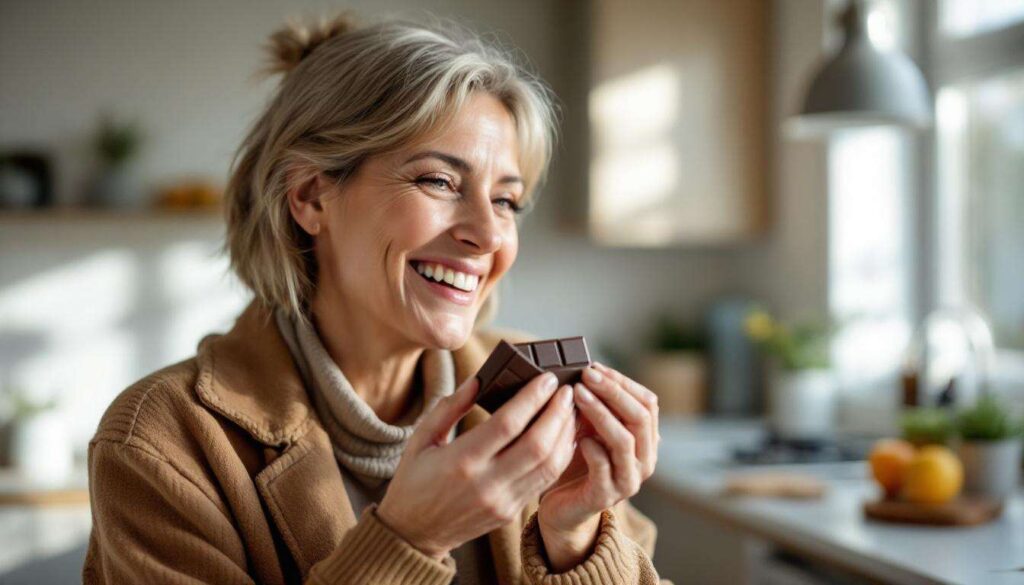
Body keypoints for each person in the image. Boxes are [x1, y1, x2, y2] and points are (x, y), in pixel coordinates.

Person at [83, 13, 668, 585]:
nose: (488, 236)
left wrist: (574, 538)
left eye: (506, 201)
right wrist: (409, 541)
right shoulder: (160, 442)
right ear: (311, 197)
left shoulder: (539, 404)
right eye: (439, 181)